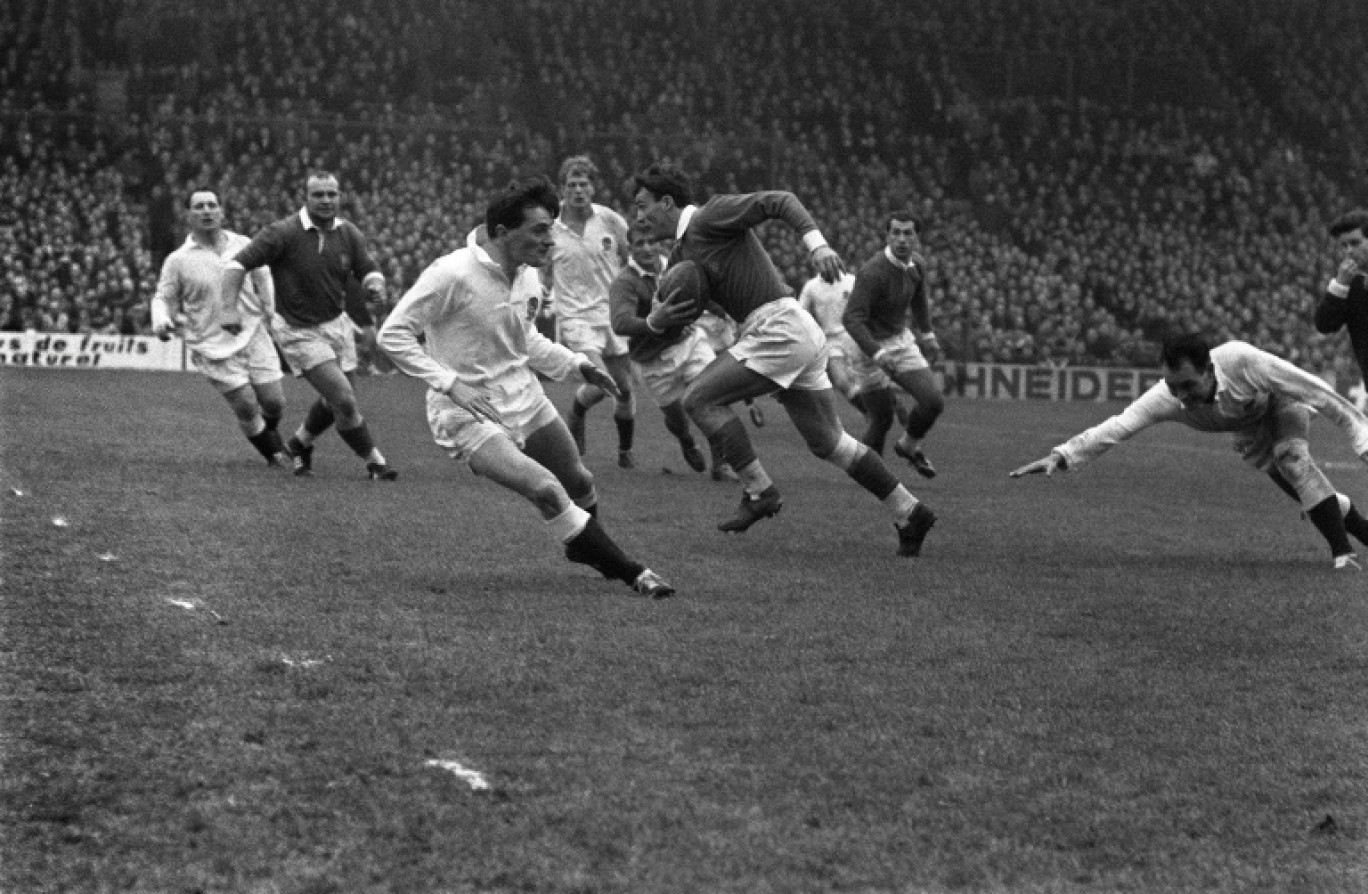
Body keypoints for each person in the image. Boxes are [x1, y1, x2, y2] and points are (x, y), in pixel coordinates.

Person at [376, 177, 675, 598]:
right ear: (502, 233)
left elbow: (526, 340)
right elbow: (392, 335)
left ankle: (586, 546)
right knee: (547, 491)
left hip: (525, 396)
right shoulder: (452, 273)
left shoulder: (530, 275)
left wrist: (576, 364)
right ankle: (634, 573)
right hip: (469, 412)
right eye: (538, 229)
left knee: (579, 481)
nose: (549, 239)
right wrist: (449, 384)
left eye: (551, 227)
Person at [632, 162, 936, 556]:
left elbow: (780, 200)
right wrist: (656, 321)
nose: (638, 217)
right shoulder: (680, 255)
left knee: (698, 399)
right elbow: (670, 317)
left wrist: (818, 244)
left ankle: (759, 491)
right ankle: (910, 511)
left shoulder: (709, 216)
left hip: (779, 328)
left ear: (667, 202)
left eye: (642, 205)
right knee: (830, 443)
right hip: (790, 329)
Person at [1011, 334, 1368, 571]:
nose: (1181, 396)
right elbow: (1117, 426)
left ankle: (1343, 556)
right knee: (1308, 492)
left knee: (1291, 458)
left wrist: (1362, 439)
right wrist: (1061, 455)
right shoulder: (1166, 398)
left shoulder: (1242, 360)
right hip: (1246, 427)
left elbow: (1316, 391)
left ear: (1210, 370)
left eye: (1188, 385)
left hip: (1279, 402)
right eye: (1173, 386)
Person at [219, 171, 398, 480]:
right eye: (319, 195)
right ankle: (376, 463)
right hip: (298, 330)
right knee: (343, 398)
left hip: (337, 325)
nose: (327, 200)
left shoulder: (349, 233)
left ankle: (300, 444)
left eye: (332, 194)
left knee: (338, 399)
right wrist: (228, 308)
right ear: (305, 198)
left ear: (340, 196)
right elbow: (237, 265)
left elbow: (366, 267)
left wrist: (375, 283)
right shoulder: (283, 233)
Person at [150, 186, 289, 466]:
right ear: (188, 216)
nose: (206, 211)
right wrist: (161, 321)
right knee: (248, 405)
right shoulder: (178, 260)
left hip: (253, 334)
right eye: (199, 207)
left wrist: (272, 308)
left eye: (211, 205)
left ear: (222, 212)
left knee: (274, 403)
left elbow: (263, 277)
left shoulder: (244, 244)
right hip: (212, 344)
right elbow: (162, 297)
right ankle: (275, 456)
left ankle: (271, 440)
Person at [542, 155, 637, 467]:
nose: (578, 190)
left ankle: (624, 453)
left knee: (624, 389)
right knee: (601, 380)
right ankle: (576, 413)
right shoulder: (550, 227)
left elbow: (631, 256)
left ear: (594, 188)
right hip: (575, 317)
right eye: (572, 184)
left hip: (612, 313)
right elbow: (539, 266)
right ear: (563, 189)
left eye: (584, 184)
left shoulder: (609, 220)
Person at [609, 224, 720, 478]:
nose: (647, 248)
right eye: (640, 243)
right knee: (678, 419)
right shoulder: (624, 282)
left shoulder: (676, 266)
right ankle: (686, 440)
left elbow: (700, 291)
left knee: (712, 400)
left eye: (651, 241)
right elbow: (620, 323)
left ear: (660, 242)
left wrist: (724, 310)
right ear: (630, 248)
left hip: (690, 342)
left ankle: (721, 465)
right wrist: (654, 322)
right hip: (652, 361)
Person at [843, 210, 944, 475]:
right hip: (869, 349)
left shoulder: (917, 265)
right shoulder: (872, 272)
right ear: (887, 236)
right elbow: (852, 319)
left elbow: (920, 300)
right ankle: (867, 475)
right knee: (882, 420)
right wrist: (876, 353)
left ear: (917, 238)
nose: (901, 239)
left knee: (933, 401)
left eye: (907, 233)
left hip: (900, 342)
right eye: (895, 233)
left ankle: (909, 446)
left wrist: (928, 335)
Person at [1314, 209, 1368, 386]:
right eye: (1344, 246)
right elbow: (1324, 325)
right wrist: (1340, 286)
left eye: (1355, 243)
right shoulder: (1351, 286)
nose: (1349, 251)